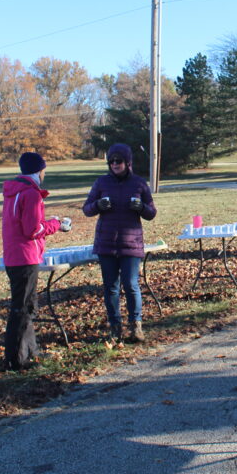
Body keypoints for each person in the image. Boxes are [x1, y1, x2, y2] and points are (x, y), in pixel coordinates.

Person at [0, 152, 70, 370]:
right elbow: (33, 229)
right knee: (23, 309)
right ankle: (16, 360)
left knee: (25, 307)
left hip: (12, 256)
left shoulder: (13, 191)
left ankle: (30, 353)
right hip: (25, 256)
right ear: (40, 171)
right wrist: (56, 224)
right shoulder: (31, 194)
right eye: (44, 170)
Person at [83, 143, 157, 342]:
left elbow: (151, 213)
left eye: (119, 161)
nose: (115, 164)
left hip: (131, 243)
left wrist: (141, 207)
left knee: (131, 285)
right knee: (111, 287)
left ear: (128, 162)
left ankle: (136, 326)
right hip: (106, 243)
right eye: (112, 161)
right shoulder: (101, 183)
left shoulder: (139, 184)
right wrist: (98, 205)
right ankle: (115, 327)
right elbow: (87, 209)